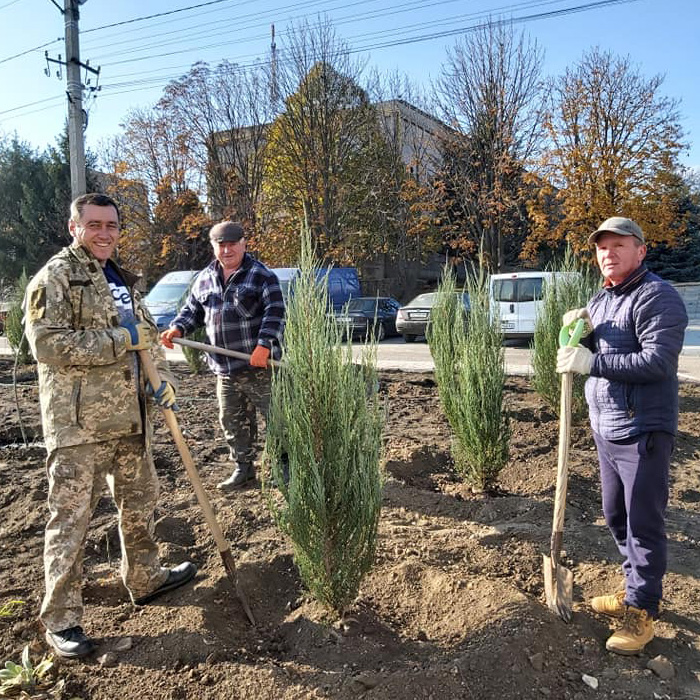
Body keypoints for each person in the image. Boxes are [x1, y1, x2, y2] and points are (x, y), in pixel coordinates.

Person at [24, 193, 197, 659]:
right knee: (72, 520)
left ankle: (145, 578)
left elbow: (146, 339)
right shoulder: (56, 277)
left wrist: (160, 384)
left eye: (112, 226)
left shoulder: (118, 277)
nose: (104, 233)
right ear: (74, 226)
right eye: (94, 224)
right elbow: (46, 345)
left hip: (131, 417)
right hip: (80, 424)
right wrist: (121, 339)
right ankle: (61, 619)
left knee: (140, 502)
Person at [557, 216, 688, 655]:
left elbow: (657, 363)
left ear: (640, 251)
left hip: (642, 430)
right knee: (615, 515)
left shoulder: (659, 297)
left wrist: (590, 363)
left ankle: (642, 612)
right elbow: (601, 345)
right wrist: (581, 329)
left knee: (643, 522)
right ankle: (633, 588)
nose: (607, 253)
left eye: (618, 245)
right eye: (601, 248)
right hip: (606, 427)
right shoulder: (602, 297)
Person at [160, 221, 285, 492]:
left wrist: (264, 345)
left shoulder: (261, 275)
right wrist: (177, 327)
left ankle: (285, 468)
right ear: (214, 246)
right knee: (232, 421)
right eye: (221, 244)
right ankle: (244, 468)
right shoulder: (205, 277)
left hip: (260, 367)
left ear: (244, 243)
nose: (227, 250)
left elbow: (275, 312)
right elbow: (191, 310)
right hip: (224, 368)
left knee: (278, 419)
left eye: (232, 244)